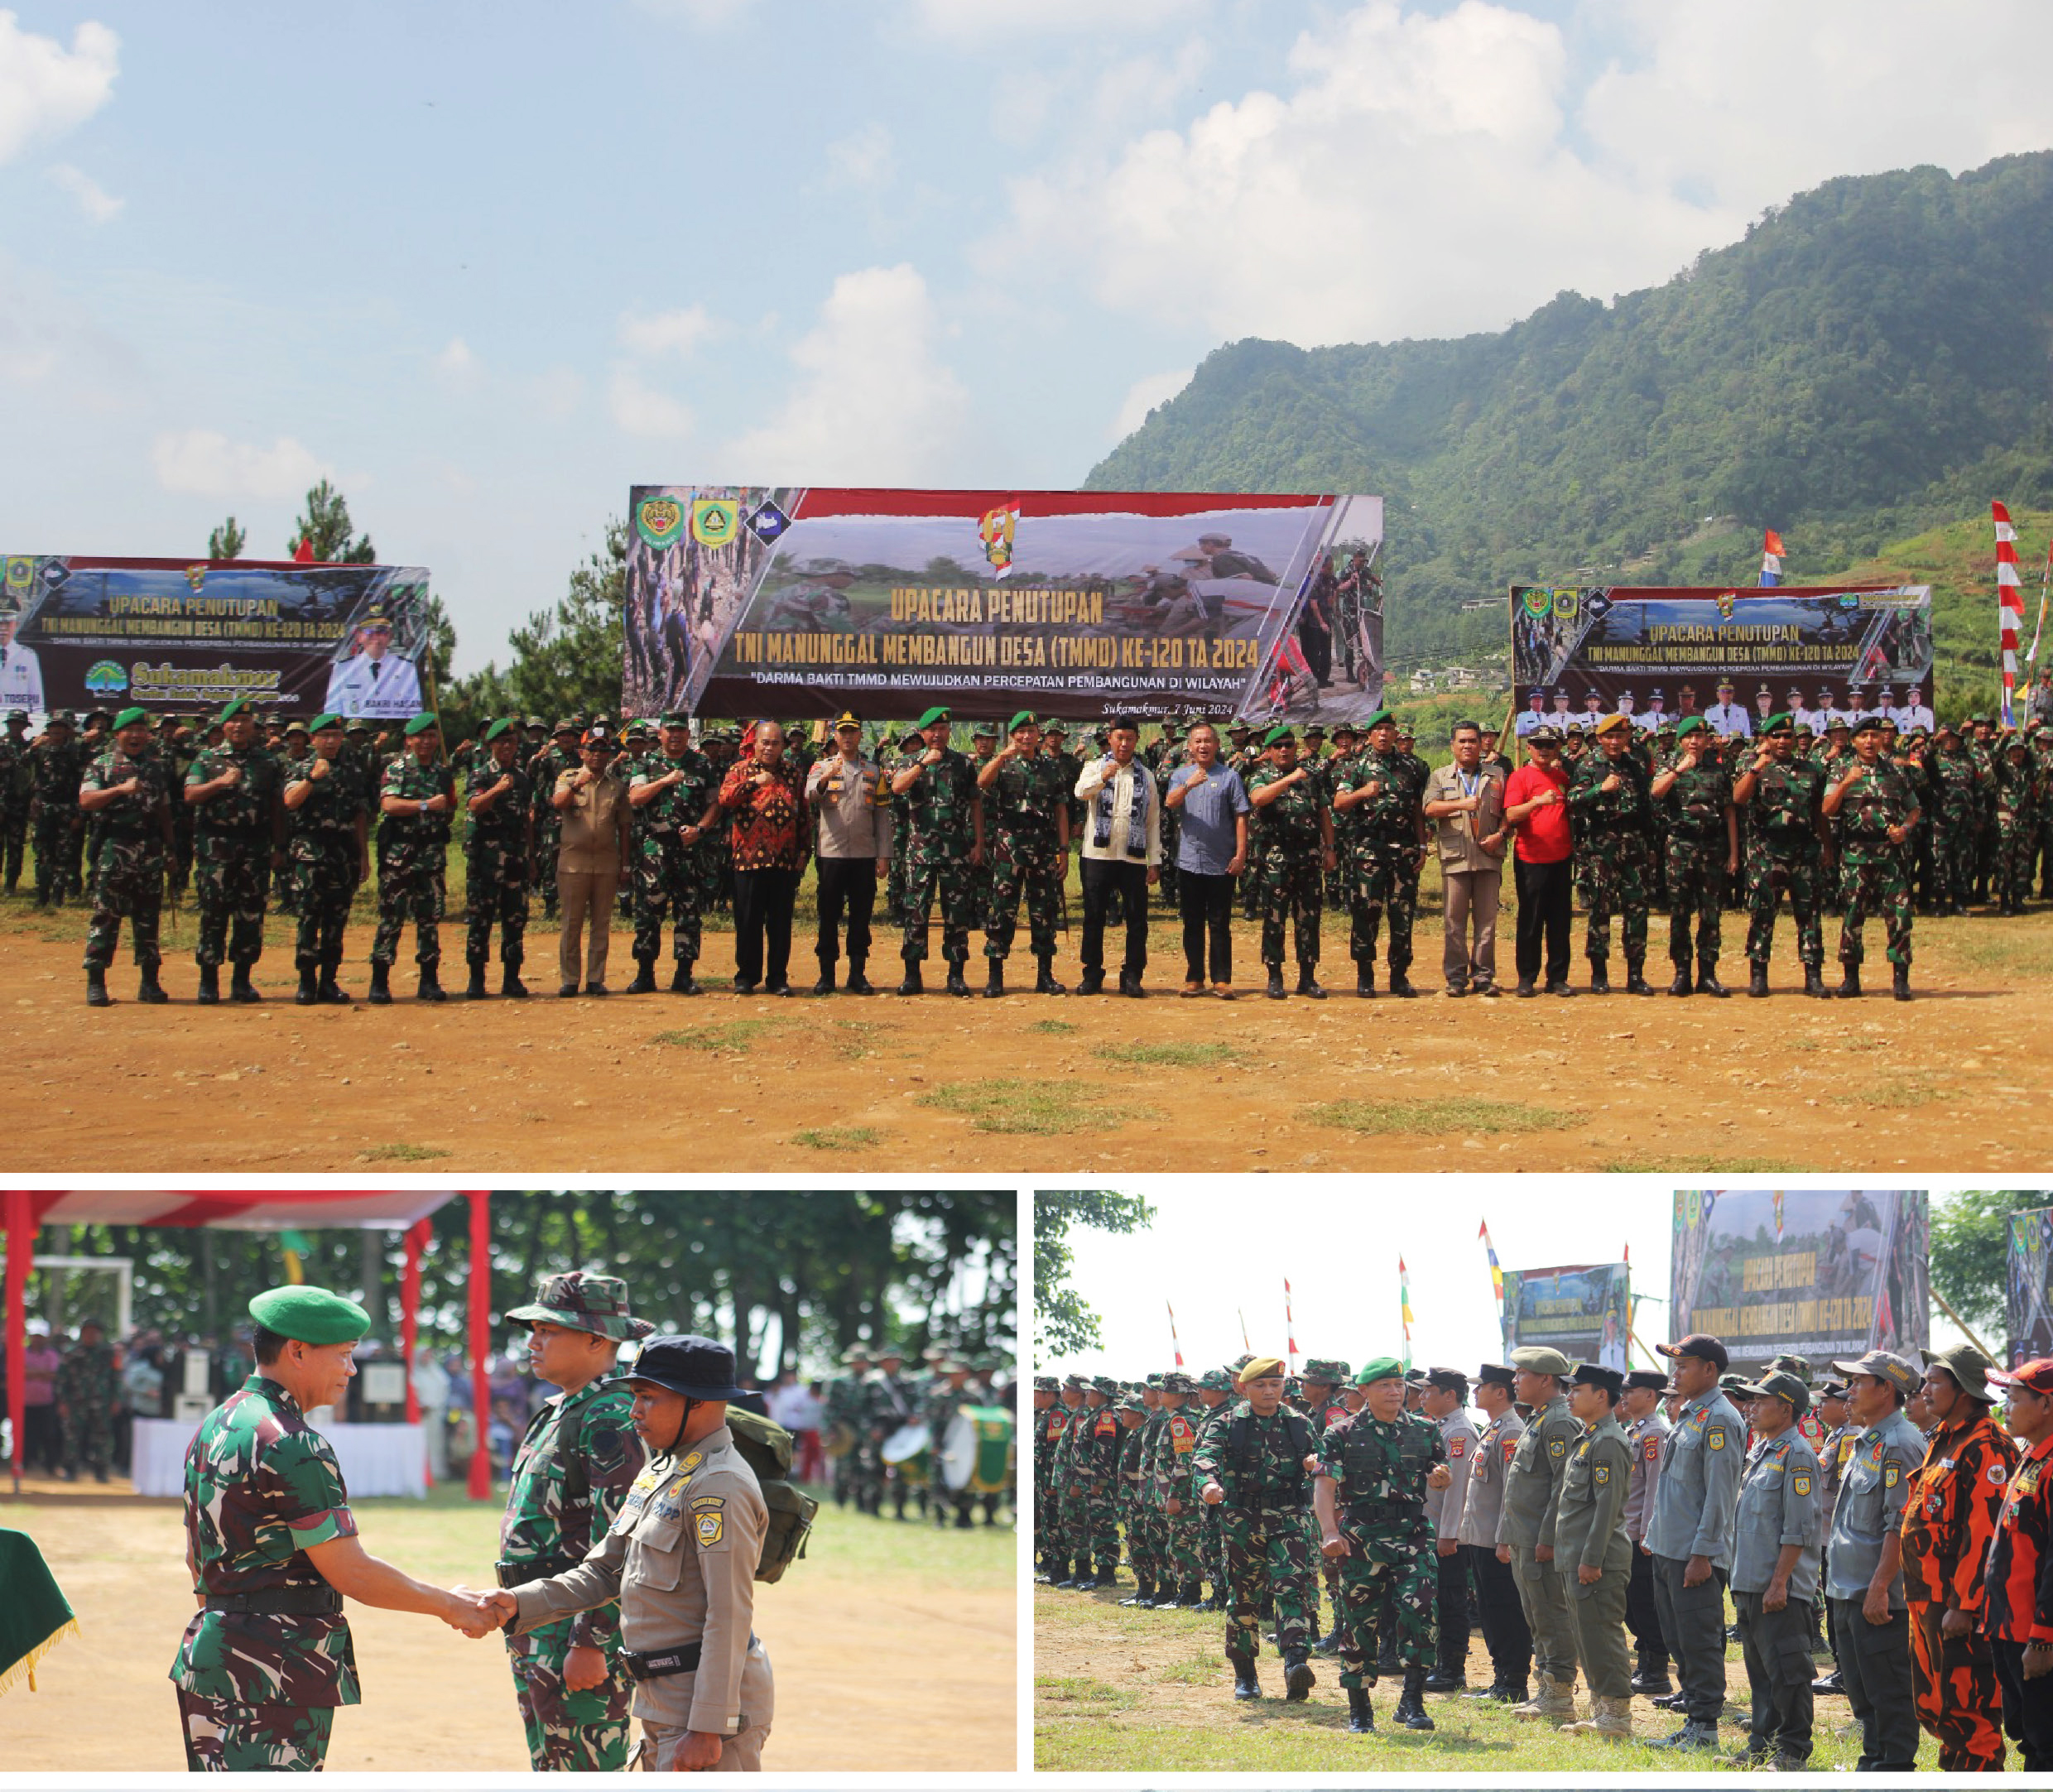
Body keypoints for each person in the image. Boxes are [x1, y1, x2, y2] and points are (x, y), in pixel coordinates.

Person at [170, 1285, 498, 1770]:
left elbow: (197, 1557)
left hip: (214, 1658)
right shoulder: (293, 1443)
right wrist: (452, 1605)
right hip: (273, 1673)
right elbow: (352, 1573)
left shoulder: (218, 1423)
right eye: (343, 1354)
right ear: (298, 1351)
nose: (352, 1369)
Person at [482, 1333, 774, 1771]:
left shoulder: (720, 1485)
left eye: (647, 1397)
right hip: (664, 1698)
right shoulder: (662, 1469)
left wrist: (709, 1726)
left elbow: (729, 1613)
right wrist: (517, 1602)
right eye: (635, 1395)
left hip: (703, 1708)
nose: (634, 1410)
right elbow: (604, 1571)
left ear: (698, 1401)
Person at [497, 1272, 652, 1771]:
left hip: (573, 1626)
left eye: (548, 1331)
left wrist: (592, 1641)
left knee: (585, 1766)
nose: (533, 1343)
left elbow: (622, 1542)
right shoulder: (564, 1409)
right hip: (538, 1619)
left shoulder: (609, 1416)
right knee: (551, 1763)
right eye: (534, 1331)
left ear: (596, 1340)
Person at [1314, 1357, 1450, 1732]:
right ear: (1364, 1391)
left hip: (1412, 1535)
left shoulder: (1425, 1430)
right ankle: (1360, 1708)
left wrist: (1442, 1478)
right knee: (1360, 1622)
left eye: (1399, 1385)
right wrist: (1329, 1531)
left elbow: (1439, 1473)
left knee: (1421, 1611)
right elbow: (1324, 1486)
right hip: (1361, 1538)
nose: (1394, 1391)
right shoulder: (1341, 1433)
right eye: (1385, 1385)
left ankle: (1412, 1701)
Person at [1900, 1343, 2017, 1770]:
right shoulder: (1947, 1438)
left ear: (1963, 1389)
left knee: (1971, 1711)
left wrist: (1964, 1605)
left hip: (1956, 1606)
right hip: (1926, 1597)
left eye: (1934, 1381)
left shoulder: (1988, 1445)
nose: (1924, 1389)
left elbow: (1985, 1536)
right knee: (1939, 1708)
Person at [1825, 1348, 1928, 1772]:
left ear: (1886, 1389)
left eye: (1858, 1382)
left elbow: (1900, 1525)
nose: (1849, 1390)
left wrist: (1881, 1587)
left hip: (1877, 1594)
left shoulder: (1901, 1444)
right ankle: (1873, 1763)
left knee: (1888, 1691)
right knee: (1862, 1691)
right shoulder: (1867, 1440)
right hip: (1848, 1587)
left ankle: (1894, 1768)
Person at [1195, 1355, 1320, 1703]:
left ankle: (1295, 1663)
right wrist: (1208, 1485)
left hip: (1290, 1517)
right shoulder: (1227, 1423)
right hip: (1242, 1519)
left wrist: (1315, 1464)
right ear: (1243, 1387)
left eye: (1275, 1384)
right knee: (1243, 1595)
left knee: (1292, 1589)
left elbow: (1324, 1459)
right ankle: (1245, 1674)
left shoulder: (1299, 1423)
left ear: (1283, 1386)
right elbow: (1204, 1458)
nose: (1268, 1391)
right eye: (1260, 1385)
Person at [1644, 1332, 1744, 1749]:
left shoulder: (1719, 1418)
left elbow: (1720, 1495)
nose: (1676, 1373)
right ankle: (1692, 1719)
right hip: (1669, 1547)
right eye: (1676, 1366)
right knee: (1678, 1638)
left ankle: (1705, 1727)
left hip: (1694, 1553)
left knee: (1699, 1641)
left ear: (1709, 1369)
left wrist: (1702, 1553)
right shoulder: (1691, 1414)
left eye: (1684, 1366)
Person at [1725, 1367, 1825, 1770]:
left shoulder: (1797, 1455)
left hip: (1777, 1585)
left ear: (1786, 1410)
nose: (1751, 1408)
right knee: (1761, 1671)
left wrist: (1780, 1582)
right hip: (1751, 1580)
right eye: (1750, 1401)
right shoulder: (1762, 1451)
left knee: (1788, 1670)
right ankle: (1762, 1743)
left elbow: (1799, 1529)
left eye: (1760, 1401)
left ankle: (1793, 1749)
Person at [1551, 1362, 1635, 1741]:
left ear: (1601, 1395)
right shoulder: (1589, 1437)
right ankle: (1602, 1709)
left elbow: (1607, 1507)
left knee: (1602, 1634)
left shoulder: (1608, 1441)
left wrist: (1591, 1559)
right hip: (1575, 1556)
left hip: (1596, 1559)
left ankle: (1616, 1715)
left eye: (1577, 1389)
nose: (1569, 1396)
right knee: (1587, 1636)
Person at [1500, 1345, 1583, 1723]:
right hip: (1525, 1538)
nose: (1515, 1380)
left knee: (1551, 1614)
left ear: (1546, 1379)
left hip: (1541, 1541)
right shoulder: (1539, 1418)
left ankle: (1559, 1694)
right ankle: (1545, 1690)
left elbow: (1563, 1486)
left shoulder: (1560, 1421)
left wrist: (1548, 1538)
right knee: (1536, 1615)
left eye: (1522, 1374)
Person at [185, 698, 286, 1004]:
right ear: (224, 726)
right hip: (217, 848)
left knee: (250, 915)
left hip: (255, 848)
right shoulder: (207, 759)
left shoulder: (268, 762)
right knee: (213, 914)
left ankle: (242, 981)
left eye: (245, 721)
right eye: (234, 721)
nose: (239, 726)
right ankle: (208, 981)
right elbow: (190, 795)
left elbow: (277, 807)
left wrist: (280, 846)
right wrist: (220, 782)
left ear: (254, 727)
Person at [77, 704, 174, 1007]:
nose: (136, 736)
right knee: (106, 916)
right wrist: (119, 790)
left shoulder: (156, 767)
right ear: (117, 734)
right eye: (130, 730)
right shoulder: (101, 764)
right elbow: (86, 801)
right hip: (115, 848)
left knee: (148, 918)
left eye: (141, 730)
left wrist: (171, 848)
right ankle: (96, 982)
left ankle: (149, 982)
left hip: (150, 849)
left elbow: (164, 809)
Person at [1984, 1357, 2053, 1770]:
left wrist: (2043, 1639)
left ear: (2046, 1404)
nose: (2004, 1408)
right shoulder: (2031, 1456)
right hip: (2009, 1627)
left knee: (2046, 1744)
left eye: (2013, 1399)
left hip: (2035, 1634)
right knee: (2028, 1736)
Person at [1822, 713, 1921, 1000]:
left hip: (1890, 856)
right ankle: (1851, 979)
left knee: (1899, 916)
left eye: (1874, 736)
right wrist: (1846, 783)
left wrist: (1905, 829)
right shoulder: (1841, 769)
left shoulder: (1895, 772)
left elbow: (1914, 808)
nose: (1869, 741)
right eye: (1864, 736)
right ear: (1853, 741)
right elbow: (1827, 809)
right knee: (1853, 916)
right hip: (1855, 855)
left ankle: (1900, 979)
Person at [978, 710, 1070, 997]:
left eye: (1031, 732)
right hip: (1010, 852)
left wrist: (1064, 849)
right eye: (1021, 732)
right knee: (1002, 912)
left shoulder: (1051, 768)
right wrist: (1001, 757)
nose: (1026, 737)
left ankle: (1045, 975)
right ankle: (995, 977)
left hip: (1043, 851)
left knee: (1044, 913)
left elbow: (1061, 810)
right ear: (1013, 736)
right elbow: (982, 783)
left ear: (1038, 735)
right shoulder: (1003, 764)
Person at [1457, 1362, 1531, 1704]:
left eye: (1481, 1386)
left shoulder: (1511, 1431)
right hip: (1481, 1537)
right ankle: (1501, 1677)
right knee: (1489, 1610)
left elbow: (1512, 1494)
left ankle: (1514, 1681)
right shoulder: (1493, 1428)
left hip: (1497, 1541)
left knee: (1505, 1610)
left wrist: (1505, 1538)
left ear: (1501, 1392)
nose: (1474, 1392)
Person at [715, 720, 808, 997]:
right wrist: (753, 783)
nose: (769, 748)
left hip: (783, 861)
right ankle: (746, 976)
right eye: (765, 743)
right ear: (755, 744)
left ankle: (777, 977)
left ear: (783, 746)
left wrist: (804, 851)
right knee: (747, 921)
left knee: (780, 923)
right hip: (748, 859)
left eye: (775, 743)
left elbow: (804, 815)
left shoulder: (793, 774)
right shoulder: (740, 770)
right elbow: (725, 799)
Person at [281, 713, 368, 1006]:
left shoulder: (352, 770)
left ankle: (329, 982)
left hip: (342, 855)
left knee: (336, 920)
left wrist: (363, 855)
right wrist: (311, 778)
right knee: (308, 918)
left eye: (336, 736)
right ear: (313, 740)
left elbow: (359, 814)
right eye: (325, 737)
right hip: (310, 854)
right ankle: (306, 982)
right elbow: (290, 801)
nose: (331, 742)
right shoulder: (299, 767)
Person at [805, 712, 892, 996]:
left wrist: (883, 855)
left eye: (853, 731)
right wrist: (826, 778)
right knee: (828, 915)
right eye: (843, 732)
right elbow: (809, 796)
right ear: (835, 736)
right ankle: (826, 975)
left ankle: (857, 974)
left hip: (864, 856)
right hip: (832, 854)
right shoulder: (821, 766)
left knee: (861, 916)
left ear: (860, 735)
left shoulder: (874, 771)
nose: (848, 737)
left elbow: (882, 817)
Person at [1568, 713, 1655, 995]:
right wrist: (1599, 789)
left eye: (1620, 736)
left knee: (1637, 910)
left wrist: (1650, 846)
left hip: (1634, 847)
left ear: (1628, 737)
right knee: (1600, 909)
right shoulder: (1589, 764)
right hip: (1601, 847)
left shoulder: (1635, 765)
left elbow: (1646, 806)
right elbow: (1573, 800)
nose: (1615, 742)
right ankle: (1599, 974)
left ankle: (1636, 974)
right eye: (1610, 737)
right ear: (1600, 739)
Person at [1651, 718, 1738, 997]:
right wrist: (1679, 770)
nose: (1694, 742)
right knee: (1680, 912)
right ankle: (1682, 973)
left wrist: (1734, 853)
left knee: (1711, 912)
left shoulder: (1719, 769)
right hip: (1681, 847)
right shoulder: (1669, 765)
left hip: (1712, 847)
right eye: (1689, 737)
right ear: (1680, 741)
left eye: (1699, 736)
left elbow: (1729, 812)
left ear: (1707, 740)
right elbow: (1656, 792)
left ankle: (1708, 974)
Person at [1074, 715, 1160, 997]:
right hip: (1097, 855)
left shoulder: (1146, 775)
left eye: (1129, 739)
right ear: (1110, 738)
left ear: (1137, 741)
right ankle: (1092, 974)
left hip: (1133, 859)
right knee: (1094, 917)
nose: (1124, 744)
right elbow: (1080, 792)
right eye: (1119, 738)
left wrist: (1154, 860)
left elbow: (1152, 820)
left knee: (1137, 920)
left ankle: (1132, 975)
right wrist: (1103, 777)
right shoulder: (1094, 767)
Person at [1422, 719, 1509, 997]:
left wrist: (1501, 835)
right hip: (1455, 857)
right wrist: (1461, 804)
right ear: (1452, 746)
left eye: (1473, 741)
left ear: (1481, 744)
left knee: (1487, 922)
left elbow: (1509, 812)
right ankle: (1456, 977)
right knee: (1454, 921)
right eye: (1462, 741)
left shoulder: (1497, 775)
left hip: (1488, 856)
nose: (1468, 746)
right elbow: (1429, 808)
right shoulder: (1440, 776)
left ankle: (1483, 976)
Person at [1246, 725, 1333, 1001]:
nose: (1284, 750)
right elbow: (1259, 799)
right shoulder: (1261, 776)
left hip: (1308, 858)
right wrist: (1289, 779)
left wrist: (1330, 849)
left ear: (1296, 748)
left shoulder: (1312, 777)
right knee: (1275, 919)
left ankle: (1307, 977)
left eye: (1288, 745)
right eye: (1278, 746)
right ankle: (1275, 976)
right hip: (1276, 860)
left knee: (1309, 919)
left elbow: (1323, 812)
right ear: (1269, 751)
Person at [1164, 720, 1249, 997]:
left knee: (1220, 923)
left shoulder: (1229, 777)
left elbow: (1241, 816)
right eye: (1198, 741)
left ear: (1217, 745)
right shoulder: (1180, 775)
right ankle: (1195, 977)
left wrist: (1241, 854)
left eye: (1208, 741)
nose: (1203, 746)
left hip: (1222, 862)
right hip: (1189, 860)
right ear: (1189, 747)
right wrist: (1188, 785)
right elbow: (1170, 803)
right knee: (1192, 923)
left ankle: (1221, 979)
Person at [552, 724, 632, 998]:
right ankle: (570, 979)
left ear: (609, 753)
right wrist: (578, 784)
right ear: (582, 752)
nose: (597, 754)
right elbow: (558, 803)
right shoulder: (567, 777)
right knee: (572, 922)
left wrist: (625, 865)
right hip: (573, 863)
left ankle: (596, 979)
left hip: (606, 863)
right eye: (592, 749)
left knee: (601, 923)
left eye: (603, 749)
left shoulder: (617, 786)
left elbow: (624, 827)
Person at [460, 718, 534, 1001]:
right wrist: (498, 789)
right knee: (481, 920)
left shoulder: (522, 778)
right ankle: (476, 979)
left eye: (511, 742)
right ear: (490, 745)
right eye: (502, 742)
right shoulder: (480, 775)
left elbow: (527, 818)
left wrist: (531, 856)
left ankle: (512, 978)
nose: (507, 747)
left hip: (515, 858)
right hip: (485, 860)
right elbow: (474, 806)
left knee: (515, 920)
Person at [1502, 726, 1575, 997]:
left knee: (1560, 921)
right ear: (1529, 747)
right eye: (1539, 744)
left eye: (1549, 745)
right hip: (1531, 859)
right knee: (1531, 920)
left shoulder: (1562, 777)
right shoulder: (1520, 777)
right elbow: (1511, 815)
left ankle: (1557, 978)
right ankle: (1526, 977)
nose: (1544, 749)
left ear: (1557, 748)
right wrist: (1537, 802)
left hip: (1561, 858)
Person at [1618, 1367, 1672, 1695]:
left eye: (1630, 1391)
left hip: (1640, 1536)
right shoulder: (1633, 1431)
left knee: (1645, 1604)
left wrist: (1648, 1532)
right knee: (1630, 1603)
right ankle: (1645, 1659)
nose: (1623, 1396)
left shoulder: (1655, 1434)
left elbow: (1655, 1487)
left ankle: (1656, 1669)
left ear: (1650, 1395)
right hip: (1625, 1532)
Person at [323, 611, 423, 721]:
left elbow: (414, 711)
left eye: (382, 631)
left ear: (391, 636)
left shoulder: (406, 668)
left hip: (395, 729)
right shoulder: (343, 668)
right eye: (369, 631)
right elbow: (332, 712)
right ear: (359, 637)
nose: (375, 637)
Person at [57, 1318, 119, 1482]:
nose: (91, 1335)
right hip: (76, 1403)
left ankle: (101, 1471)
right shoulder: (71, 1353)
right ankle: (70, 1469)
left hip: (102, 1403)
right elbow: (62, 1380)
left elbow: (116, 1378)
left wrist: (116, 1400)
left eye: (94, 1332)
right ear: (82, 1333)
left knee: (103, 1437)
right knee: (72, 1436)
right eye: (87, 1331)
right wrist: (62, 1402)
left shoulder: (109, 1353)